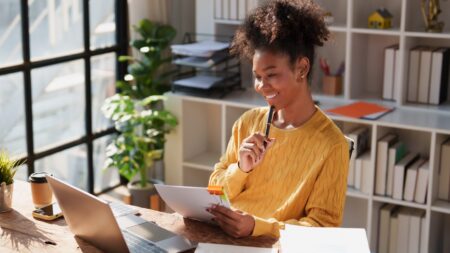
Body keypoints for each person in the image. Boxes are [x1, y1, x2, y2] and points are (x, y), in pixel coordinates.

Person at [207, 0, 349, 238]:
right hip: (222, 239)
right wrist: (241, 168)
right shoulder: (248, 122)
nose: (262, 86)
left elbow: (324, 228)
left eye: (271, 75)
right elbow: (213, 191)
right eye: (257, 76)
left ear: (301, 68)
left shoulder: (332, 145)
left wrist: (257, 227)